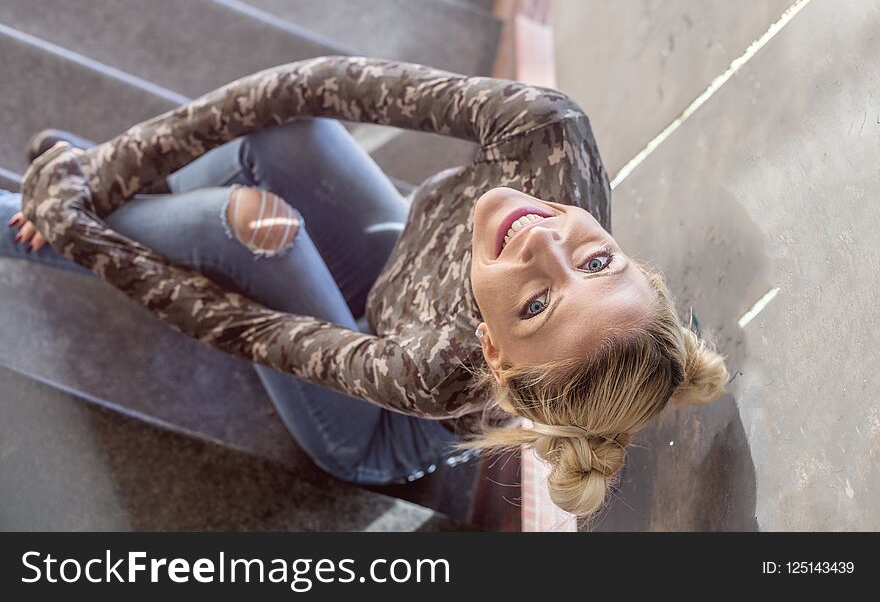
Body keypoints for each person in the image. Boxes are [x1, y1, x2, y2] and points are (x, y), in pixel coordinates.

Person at [6, 55, 729, 518]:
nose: (542, 238)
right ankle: (109, 198)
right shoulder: (549, 136)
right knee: (288, 133)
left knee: (248, 230)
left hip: (366, 418)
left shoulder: (434, 371)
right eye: (598, 262)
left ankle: (41, 217)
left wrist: (79, 225)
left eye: (538, 305)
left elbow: (242, 325)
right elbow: (298, 85)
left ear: (493, 351)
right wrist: (105, 168)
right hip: (393, 273)